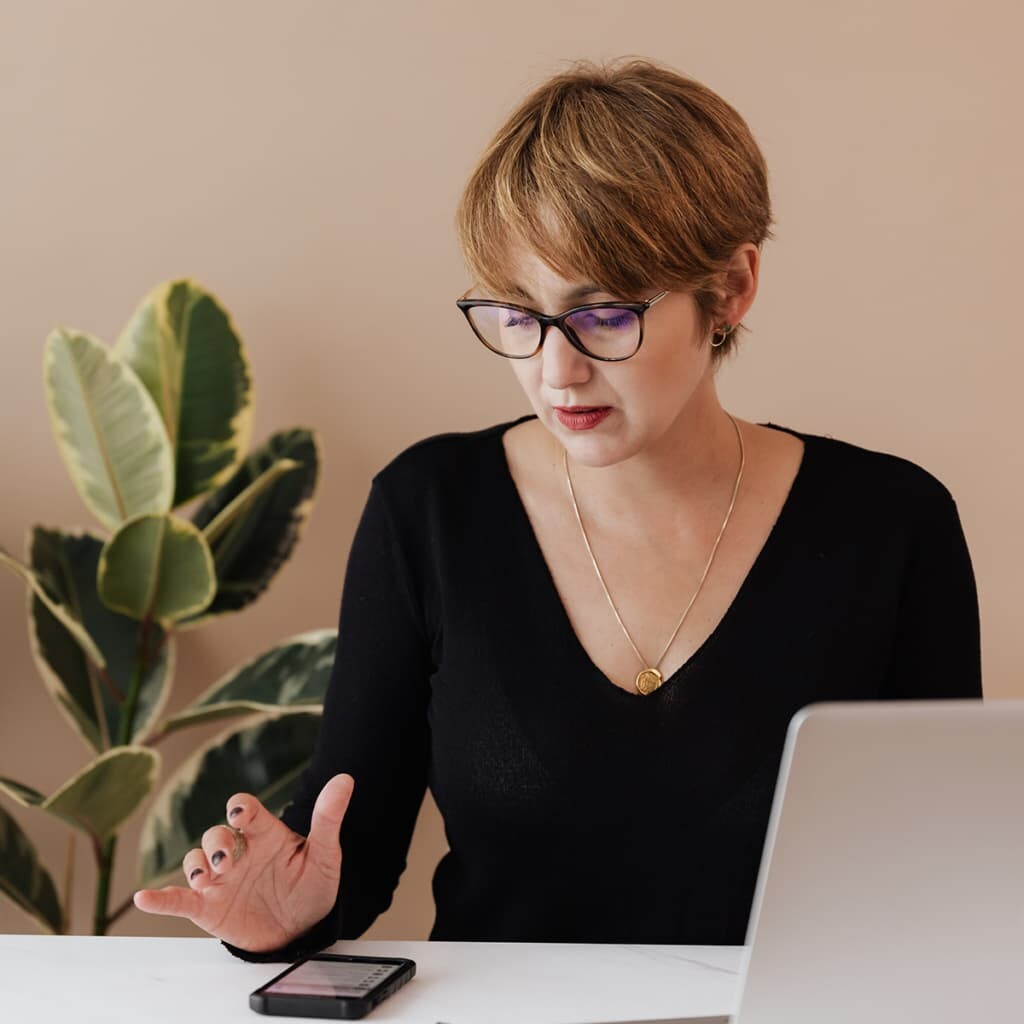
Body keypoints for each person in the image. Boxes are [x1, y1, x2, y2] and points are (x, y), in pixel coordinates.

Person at [133, 58, 982, 960]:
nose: (554, 370)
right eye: (516, 312)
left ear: (730, 289)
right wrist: (284, 914)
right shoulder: (429, 511)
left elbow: (945, 873)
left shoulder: (893, 525)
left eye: (602, 316)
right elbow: (354, 850)